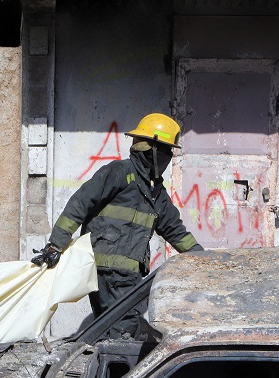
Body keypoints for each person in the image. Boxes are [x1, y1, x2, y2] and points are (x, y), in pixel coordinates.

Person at [32, 112, 203, 338]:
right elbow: (79, 204)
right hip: (109, 273)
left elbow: (176, 231)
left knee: (115, 331)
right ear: (150, 149)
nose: (169, 156)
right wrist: (56, 245)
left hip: (127, 277)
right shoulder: (119, 173)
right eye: (165, 150)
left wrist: (204, 262)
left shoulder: (156, 193)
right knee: (126, 331)